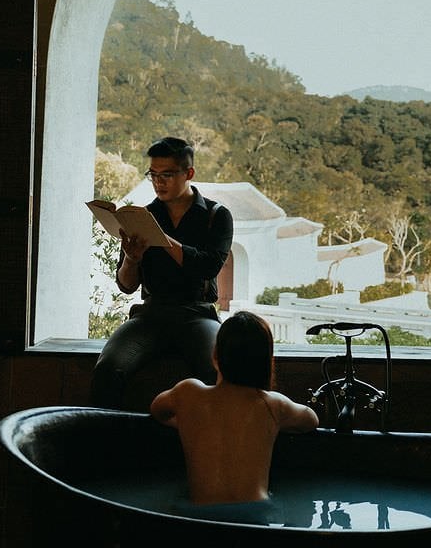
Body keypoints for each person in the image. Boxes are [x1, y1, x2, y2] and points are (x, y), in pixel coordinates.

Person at [89, 136, 233, 409]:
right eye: (153, 175)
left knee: (219, 372)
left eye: (166, 175)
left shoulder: (216, 215)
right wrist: (131, 259)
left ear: (189, 173)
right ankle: (107, 435)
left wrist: (162, 239)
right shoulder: (141, 216)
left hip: (197, 314)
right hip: (151, 314)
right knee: (108, 369)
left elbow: (208, 267)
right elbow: (126, 286)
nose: (158, 182)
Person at [150, 311, 319, 522]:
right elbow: (311, 420)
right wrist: (271, 425)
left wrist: (190, 423)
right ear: (266, 362)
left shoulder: (187, 393)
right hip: (254, 515)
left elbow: (157, 410)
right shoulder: (272, 405)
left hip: (198, 518)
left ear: (215, 356)